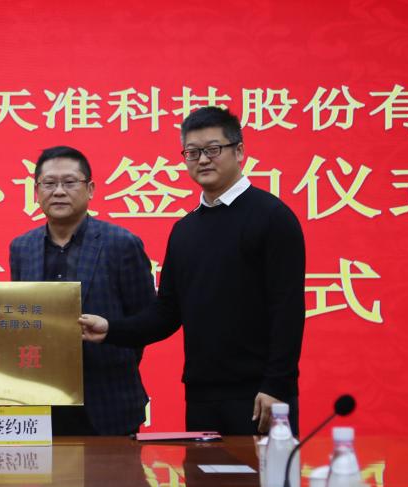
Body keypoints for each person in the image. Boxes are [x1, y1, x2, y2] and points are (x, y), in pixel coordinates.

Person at [79, 107, 305, 435]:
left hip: (261, 395)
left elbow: (287, 309)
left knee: (267, 473)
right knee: (203, 472)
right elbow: (167, 313)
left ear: (239, 151)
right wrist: (111, 329)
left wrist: (276, 385)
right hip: (201, 396)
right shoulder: (185, 230)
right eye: (192, 152)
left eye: (213, 149)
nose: (203, 160)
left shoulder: (272, 217)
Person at [9, 146, 156, 435]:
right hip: (42, 401)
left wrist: (110, 333)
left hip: (109, 400)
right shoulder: (22, 247)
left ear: (90, 189)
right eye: (49, 183)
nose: (58, 191)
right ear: (36, 191)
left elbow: (147, 322)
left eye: (69, 182)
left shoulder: (121, 244)